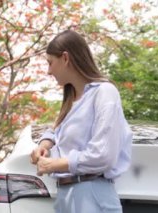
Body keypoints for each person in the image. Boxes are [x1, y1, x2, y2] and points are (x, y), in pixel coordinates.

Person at [30, 30, 132, 213]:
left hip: (91, 194)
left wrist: (54, 164)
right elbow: (56, 131)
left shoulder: (104, 92)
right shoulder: (72, 100)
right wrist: (44, 145)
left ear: (66, 58)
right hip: (67, 196)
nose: (48, 71)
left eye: (50, 63)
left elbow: (103, 155)